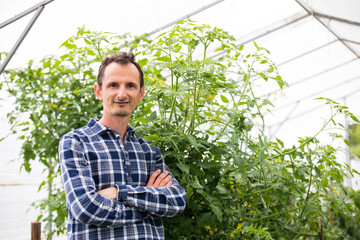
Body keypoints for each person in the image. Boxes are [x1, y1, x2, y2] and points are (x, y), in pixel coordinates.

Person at [58, 51, 187, 240]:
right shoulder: (76, 143)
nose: (122, 93)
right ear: (99, 91)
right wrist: (148, 207)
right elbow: (86, 208)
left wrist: (117, 193)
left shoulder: (148, 150)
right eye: (113, 85)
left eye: (130, 86)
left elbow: (176, 201)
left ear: (140, 93)